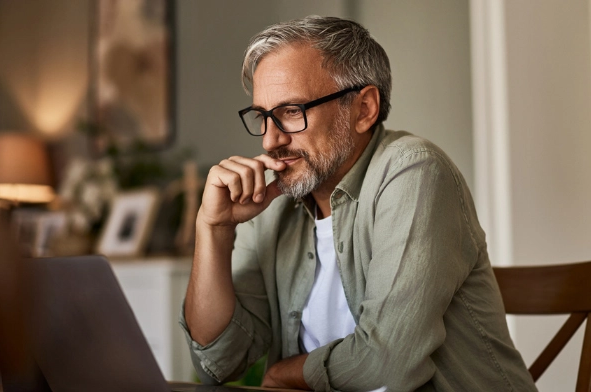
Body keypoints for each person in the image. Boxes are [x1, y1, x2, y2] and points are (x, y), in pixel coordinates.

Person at [181, 16, 537, 392]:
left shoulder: (414, 171)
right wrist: (214, 229)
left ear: (364, 108)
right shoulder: (272, 200)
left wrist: (287, 374)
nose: (270, 141)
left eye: (291, 112)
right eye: (262, 117)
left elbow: (388, 363)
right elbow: (218, 363)